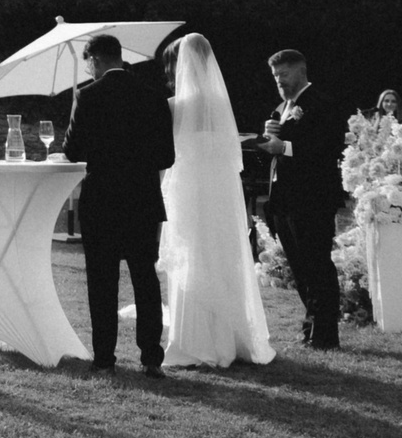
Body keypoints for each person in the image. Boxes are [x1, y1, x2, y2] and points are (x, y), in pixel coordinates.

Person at [156, 35, 275, 368]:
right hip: (219, 195)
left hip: (187, 192)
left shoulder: (175, 105)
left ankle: (194, 340)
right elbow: (231, 157)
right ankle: (232, 339)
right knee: (220, 257)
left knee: (191, 257)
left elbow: (164, 155)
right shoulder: (222, 106)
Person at [63, 34, 177, 375]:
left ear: (95, 60)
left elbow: (72, 151)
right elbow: (166, 157)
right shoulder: (153, 96)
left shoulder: (87, 95)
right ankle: (151, 359)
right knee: (145, 279)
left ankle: (104, 359)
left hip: (102, 201)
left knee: (102, 281)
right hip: (142, 201)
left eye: (88, 64)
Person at [260, 48, 350, 350]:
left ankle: (325, 334)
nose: (280, 81)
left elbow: (323, 148)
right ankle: (311, 328)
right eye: (275, 77)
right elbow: (279, 151)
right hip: (284, 200)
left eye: (284, 75)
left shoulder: (321, 104)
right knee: (299, 269)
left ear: (300, 71)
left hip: (312, 198)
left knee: (317, 266)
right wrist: (269, 138)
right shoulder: (282, 107)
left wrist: (282, 146)